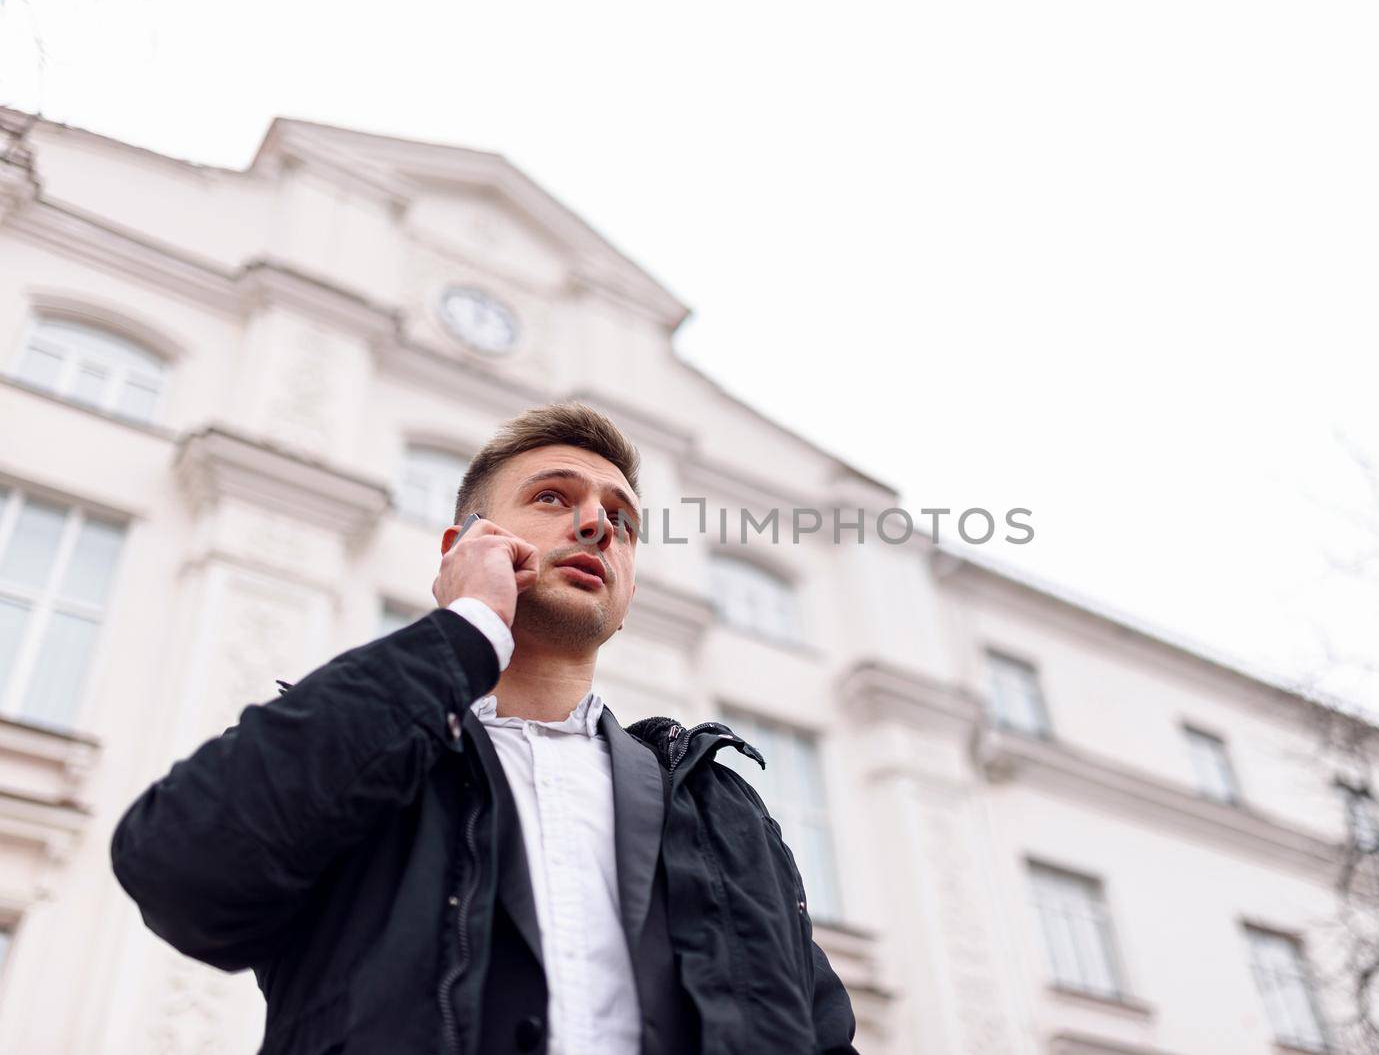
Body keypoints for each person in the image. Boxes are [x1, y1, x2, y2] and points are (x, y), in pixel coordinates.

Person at [110, 402, 857, 1055]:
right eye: (553, 497)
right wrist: (465, 627)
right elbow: (181, 872)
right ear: (464, 548)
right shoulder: (364, 753)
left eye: (622, 521)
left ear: (627, 593)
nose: (597, 523)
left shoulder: (721, 810)